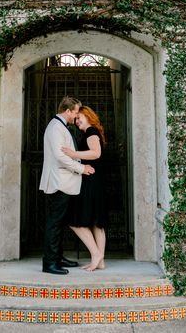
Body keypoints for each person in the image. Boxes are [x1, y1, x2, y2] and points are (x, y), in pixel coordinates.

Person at [39, 96, 95, 275]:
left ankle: (57, 257)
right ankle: (49, 263)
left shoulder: (60, 126)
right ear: (68, 111)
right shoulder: (56, 127)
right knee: (54, 223)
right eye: (76, 112)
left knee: (59, 222)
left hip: (63, 182)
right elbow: (60, 157)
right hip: (59, 182)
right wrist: (81, 168)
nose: (77, 116)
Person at [61, 105, 107, 271]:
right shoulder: (92, 132)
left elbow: (96, 153)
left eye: (79, 117)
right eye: (76, 119)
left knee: (75, 221)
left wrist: (73, 155)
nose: (77, 121)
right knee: (97, 222)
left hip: (90, 181)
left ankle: (96, 254)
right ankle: (100, 261)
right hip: (96, 180)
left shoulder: (91, 132)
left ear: (88, 115)